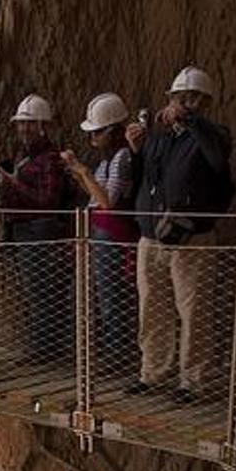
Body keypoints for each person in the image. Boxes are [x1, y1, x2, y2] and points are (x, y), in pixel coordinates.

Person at [124, 66, 235, 404]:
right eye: (179, 98)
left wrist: (190, 120)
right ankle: (153, 372)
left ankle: (194, 381)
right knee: (152, 308)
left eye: (191, 99)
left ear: (204, 103)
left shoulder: (214, 135)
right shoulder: (161, 139)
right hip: (152, 236)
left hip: (191, 238)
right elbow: (146, 179)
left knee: (193, 309)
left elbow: (218, 157)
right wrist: (136, 149)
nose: (183, 104)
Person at [0, 94, 82, 365]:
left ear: (42, 126)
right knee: (35, 291)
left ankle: (45, 352)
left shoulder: (50, 159)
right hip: (25, 229)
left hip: (42, 230)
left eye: (30, 125)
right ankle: (43, 349)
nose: (24, 130)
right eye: (22, 125)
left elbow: (49, 201)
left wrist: (14, 184)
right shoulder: (24, 155)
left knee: (43, 291)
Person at [61, 93, 139, 368]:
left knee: (111, 296)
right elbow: (96, 197)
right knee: (97, 294)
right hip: (100, 231)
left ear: (111, 130)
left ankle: (118, 355)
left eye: (96, 133)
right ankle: (108, 351)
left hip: (114, 235)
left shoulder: (122, 158)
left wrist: (83, 172)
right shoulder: (108, 160)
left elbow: (108, 202)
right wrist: (80, 173)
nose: (92, 139)